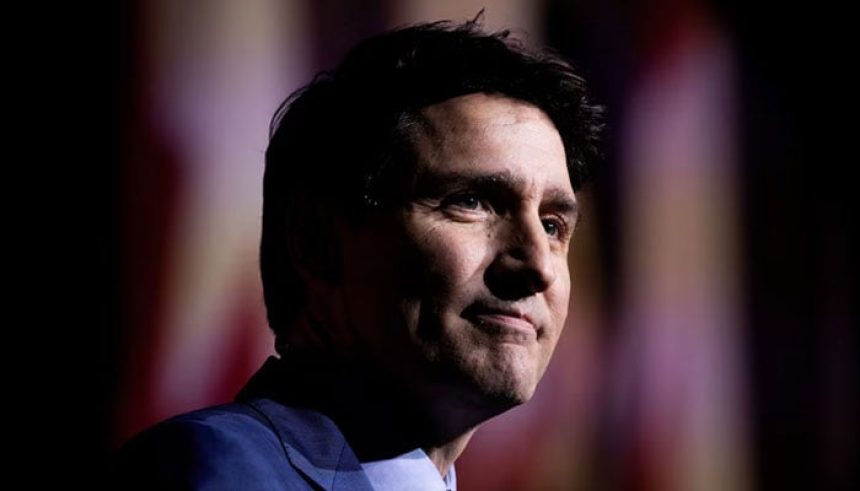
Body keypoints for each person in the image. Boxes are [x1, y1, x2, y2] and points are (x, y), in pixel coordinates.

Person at [114, 16, 603, 490]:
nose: (537, 265)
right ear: (317, 242)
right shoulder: (213, 474)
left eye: (553, 224)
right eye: (469, 202)